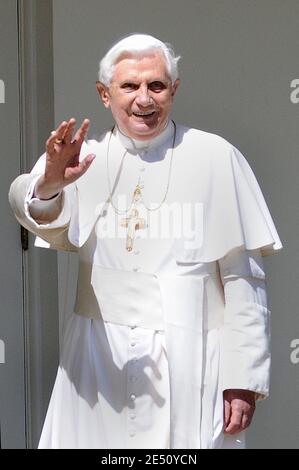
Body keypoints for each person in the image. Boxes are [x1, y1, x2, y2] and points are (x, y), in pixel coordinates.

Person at [9, 33, 282, 449]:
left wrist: (242, 379)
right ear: (105, 94)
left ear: (174, 89)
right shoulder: (84, 158)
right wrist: (48, 183)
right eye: (129, 86)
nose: (144, 99)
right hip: (99, 357)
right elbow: (43, 218)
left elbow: (245, 280)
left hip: (192, 354)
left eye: (156, 85)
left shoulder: (215, 156)